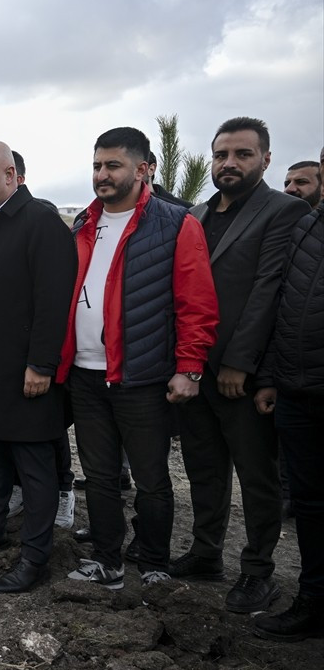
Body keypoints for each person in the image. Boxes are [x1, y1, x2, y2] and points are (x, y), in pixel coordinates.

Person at [56, 128, 218, 590]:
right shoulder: (83, 223)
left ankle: (153, 565)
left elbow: (196, 303)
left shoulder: (176, 224)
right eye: (96, 166)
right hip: (86, 375)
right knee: (99, 476)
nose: (101, 175)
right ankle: (107, 561)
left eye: (113, 165)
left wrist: (189, 368)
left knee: (151, 479)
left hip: (142, 377)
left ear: (143, 169)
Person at [171, 117, 310, 613]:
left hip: (242, 373)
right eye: (221, 155)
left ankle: (258, 571)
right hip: (193, 367)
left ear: (266, 160)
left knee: (256, 476)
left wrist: (241, 364)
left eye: (242, 154)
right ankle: (206, 552)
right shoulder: (195, 215)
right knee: (203, 466)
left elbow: (269, 290)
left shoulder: (285, 211)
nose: (229, 163)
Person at [0, 142, 77, 594]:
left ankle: (35, 556)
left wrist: (41, 364)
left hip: (26, 372)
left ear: (11, 175)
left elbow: (54, 300)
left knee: (35, 470)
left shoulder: (41, 221)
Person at [253, 153, 324, 640]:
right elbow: (282, 305)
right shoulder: (307, 229)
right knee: (311, 505)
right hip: (298, 392)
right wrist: (270, 377)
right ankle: (313, 602)